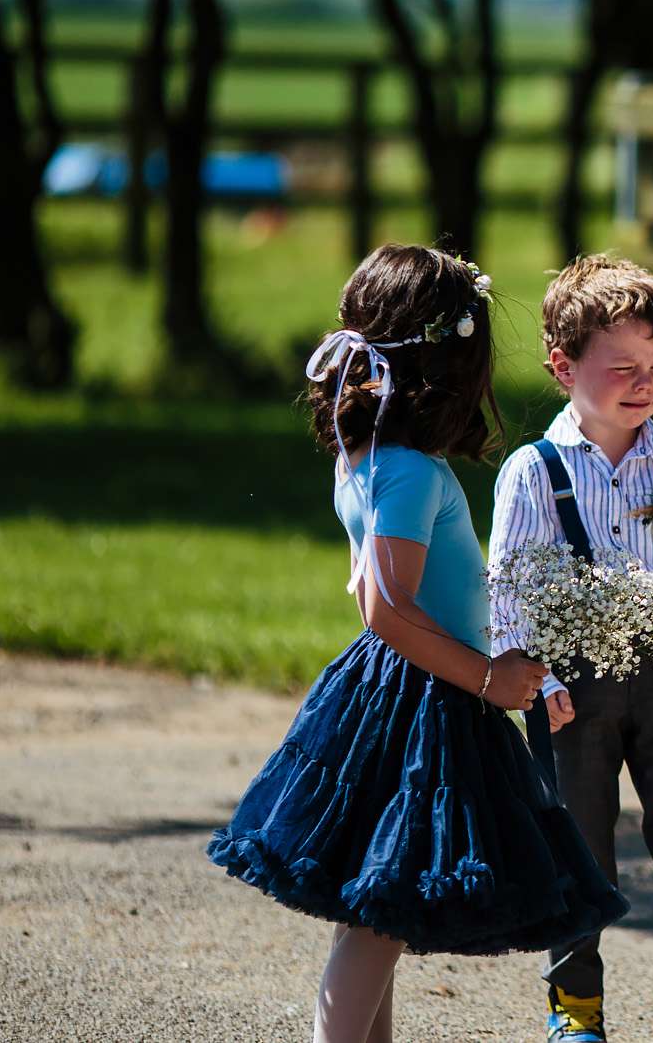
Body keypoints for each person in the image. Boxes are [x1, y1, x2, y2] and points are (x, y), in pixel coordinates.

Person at [208, 244, 625, 1043]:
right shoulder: (410, 472)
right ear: (446, 367)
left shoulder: (367, 456)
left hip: (396, 688)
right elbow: (386, 608)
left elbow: (368, 587)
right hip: (425, 696)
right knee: (381, 911)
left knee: (378, 905)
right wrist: (488, 676)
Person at [489, 255, 653, 1043]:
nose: (645, 383)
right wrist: (538, 671)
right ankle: (575, 1008)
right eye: (624, 367)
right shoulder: (534, 471)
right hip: (573, 692)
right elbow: (506, 583)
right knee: (579, 848)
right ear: (564, 367)